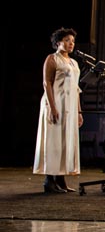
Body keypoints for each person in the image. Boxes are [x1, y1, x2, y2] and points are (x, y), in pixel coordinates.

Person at [33, 27, 83, 193]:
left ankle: (61, 179)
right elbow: (47, 83)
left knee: (66, 141)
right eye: (67, 40)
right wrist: (52, 106)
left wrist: (79, 111)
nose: (71, 44)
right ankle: (50, 180)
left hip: (70, 105)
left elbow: (76, 89)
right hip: (56, 102)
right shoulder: (52, 59)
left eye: (73, 41)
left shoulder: (74, 63)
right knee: (53, 140)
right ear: (58, 42)